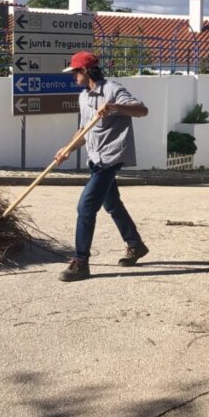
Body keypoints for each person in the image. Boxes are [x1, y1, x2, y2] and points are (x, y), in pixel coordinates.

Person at [54, 51, 150, 282]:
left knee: (86, 207)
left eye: (75, 72)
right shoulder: (83, 97)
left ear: (85, 71)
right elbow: (84, 130)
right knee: (112, 204)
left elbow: (142, 110)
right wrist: (67, 148)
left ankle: (80, 262)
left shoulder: (112, 90)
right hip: (95, 158)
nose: (73, 77)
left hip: (111, 156)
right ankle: (135, 245)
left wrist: (115, 107)